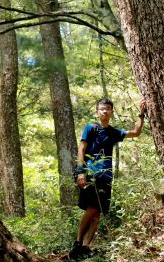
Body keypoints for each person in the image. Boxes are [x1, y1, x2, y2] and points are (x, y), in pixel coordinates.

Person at [68, 97, 147, 260]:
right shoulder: (91, 128)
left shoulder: (113, 132)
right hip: (91, 174)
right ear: (97, 112)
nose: (104, 111)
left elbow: (136, 133)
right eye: (101, 109)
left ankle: (86, 247)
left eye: (107, 109)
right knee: (91, 208)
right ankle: (77, 243)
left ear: (112, 112)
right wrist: (81, 171)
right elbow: (82, 149)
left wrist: (142, 113)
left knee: (98, 212)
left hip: (106, 177)